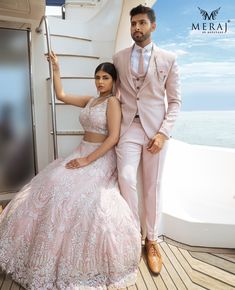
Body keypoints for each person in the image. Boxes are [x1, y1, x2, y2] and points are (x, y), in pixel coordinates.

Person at [0, 52, 141, 289]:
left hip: (99, 157)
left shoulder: (113, 103)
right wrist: (56, 68)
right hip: (81, 150)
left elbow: (114, 137)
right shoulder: (91, 100)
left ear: (114, 81)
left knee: (73, 195)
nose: (100, 82)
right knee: (51, 183)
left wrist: (87, 160)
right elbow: (61, 95)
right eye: (97, 77)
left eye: (105, 77)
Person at [113, 5, 181, 274]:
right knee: (127, 179)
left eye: (142, 23)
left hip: (156, 131)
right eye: (133, 24)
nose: (136, 28)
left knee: (152, 187)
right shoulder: (118, 58)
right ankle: (131, 236)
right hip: (129, 128)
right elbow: (115, 96)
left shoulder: (169, 58)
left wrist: (163, 133)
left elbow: (175, 101)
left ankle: (151, 240)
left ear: (153, 26)